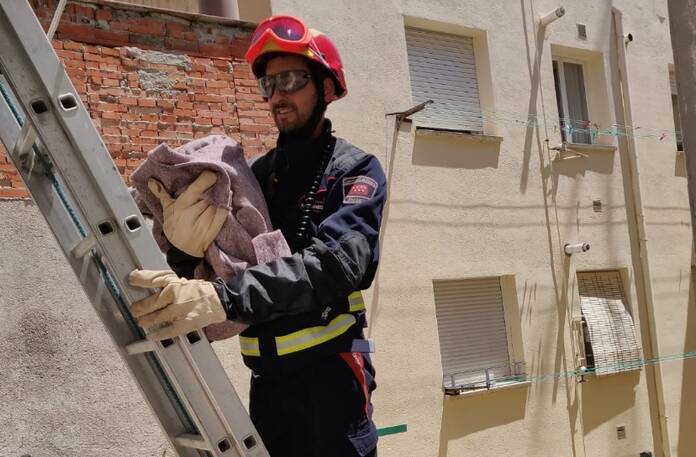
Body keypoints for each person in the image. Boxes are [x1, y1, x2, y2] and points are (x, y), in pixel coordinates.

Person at [128, 14, 386, 457]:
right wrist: (186, 253)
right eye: (269, 84)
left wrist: (223, 298)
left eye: (291, 79)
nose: (277, 95)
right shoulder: (252, 178)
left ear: (327, 88)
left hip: (331, 385)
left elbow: (339, 264)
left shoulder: (355, 170)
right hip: (267, 387)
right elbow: (216, 266)